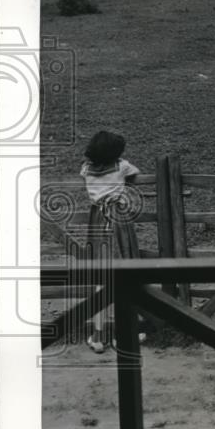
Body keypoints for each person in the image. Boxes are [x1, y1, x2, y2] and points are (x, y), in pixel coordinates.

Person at [80, 130, 143, 354]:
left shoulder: (85, 169)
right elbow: (135, 172)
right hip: (117, 220)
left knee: (102, 278)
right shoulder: (122, 166)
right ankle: (123, 333)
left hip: (97, 221)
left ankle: (98, 336)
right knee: (122, 275)